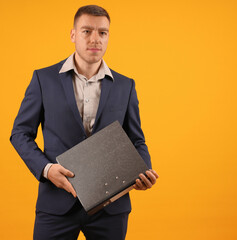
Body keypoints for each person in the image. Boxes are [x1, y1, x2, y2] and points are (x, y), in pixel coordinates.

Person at [10, 5, 158, 240]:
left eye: (102, 32)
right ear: (73, 35)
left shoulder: (125, 85)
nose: (95, 39)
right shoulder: (43, 79)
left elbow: (136, 139)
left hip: (111, 207)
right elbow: (19, 133)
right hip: (56, 204)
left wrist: (143, 171)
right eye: (86, 31)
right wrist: (47, 170)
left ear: (108, 36)